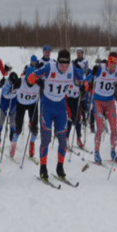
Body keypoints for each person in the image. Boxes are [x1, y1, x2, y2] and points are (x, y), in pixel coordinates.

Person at [27, 49, 83, 180]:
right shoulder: (49, 67)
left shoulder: (71, 69)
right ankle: (43, 167)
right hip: (47, 106)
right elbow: (29, 77)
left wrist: (83, 82)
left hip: (60, 106)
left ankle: (60, 167)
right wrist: (37, 79)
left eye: (66, 65)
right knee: (46, 138)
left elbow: (82, 80)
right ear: (57, 62)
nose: (64, 68)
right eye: (61, 65)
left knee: (63, 140)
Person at [89, 52, 117, 163]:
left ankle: (113, 150)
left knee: (114, 127)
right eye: (111, 63)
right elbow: (89, 76)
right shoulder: (101, 68)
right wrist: (86, 81)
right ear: (108, 62)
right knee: (100, 127)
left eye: (115, 64)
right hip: (98, 102)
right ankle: (96, 152)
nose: (113, 66)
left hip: (110, 101)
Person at [9, 67, 40, 159]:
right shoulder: (20, 81)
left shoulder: (38, 83)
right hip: (21, 105)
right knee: (18, 128)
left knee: (34, 129)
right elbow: (10, 89)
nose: (31, 83)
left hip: (33, 105)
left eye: (33, 81)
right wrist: (12, 84)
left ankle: (32, 144)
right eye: (29, 80)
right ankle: (13, 144)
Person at [0, 72, 19, 148]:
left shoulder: (18, 82)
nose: (13, 84)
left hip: (13, 100)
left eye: (14, 82)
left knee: (13, 120)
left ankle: (12, 136)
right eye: (11, 82)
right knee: (2, 118)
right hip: (4, 100)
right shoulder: (4, 80)